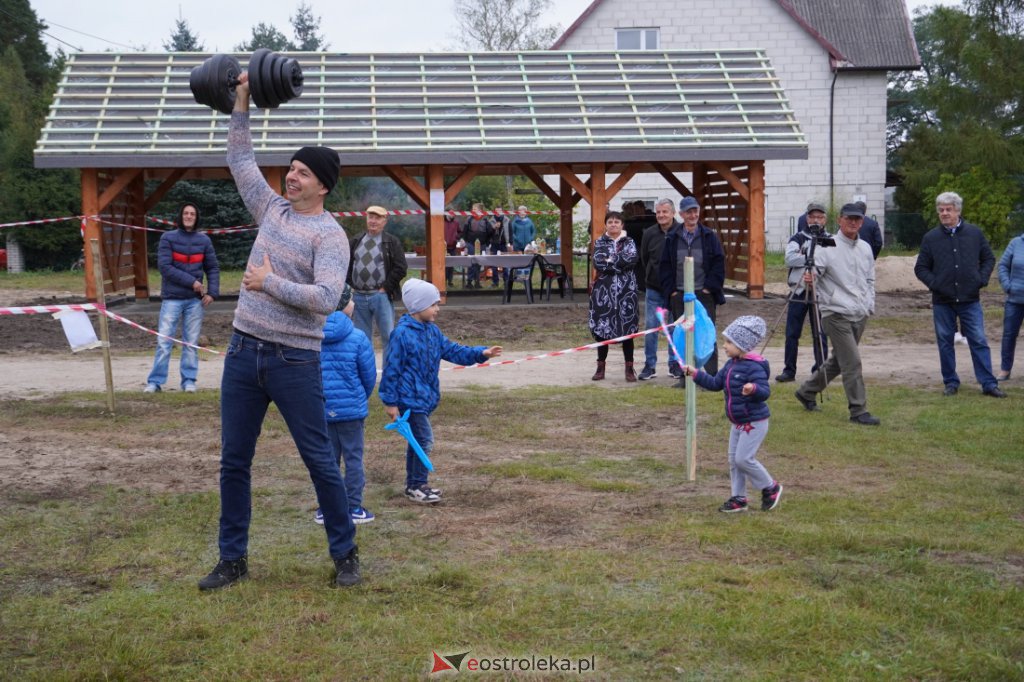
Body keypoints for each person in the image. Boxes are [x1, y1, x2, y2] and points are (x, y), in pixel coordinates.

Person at [198, 72, 360, 591]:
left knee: (319, 460)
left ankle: (345, 556)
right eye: (290, 168)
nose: (291, 177)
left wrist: (270, 283)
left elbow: (326, 300)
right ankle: (232, 559)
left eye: (302, 172)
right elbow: (240, 161)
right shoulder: (270, 208)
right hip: (244, 353)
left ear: (323, 185)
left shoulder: (331, 236)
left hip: (294, 361)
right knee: (233, 462)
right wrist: (241, 100)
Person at [379, 279, 502, 503]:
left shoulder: (432, 332)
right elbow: (391, 369)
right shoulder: (401, 335)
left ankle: (414, 485)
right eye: (433, 304)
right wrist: (390, 402)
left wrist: (480, 353)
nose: (437, 309)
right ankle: (417, 485)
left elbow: (453, 351)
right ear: (417, 306)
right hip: (409, 400)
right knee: (424, 439)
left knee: (417, 441)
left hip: (425, 397)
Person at [679, 316, 782, 513]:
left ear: (742, 345)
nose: (724, 346)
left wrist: (752, 389)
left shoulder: (754, 367)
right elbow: (715, 384)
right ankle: (738, 498)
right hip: (737, 422)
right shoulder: (730, 365)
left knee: (743, 459)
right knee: (734, 461)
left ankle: (770, 487)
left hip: (754, 422)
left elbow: (764, 391)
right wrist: (695, 373)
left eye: (728, 342)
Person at [794, 203, 881, 425]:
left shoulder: (865, 248)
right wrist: (809, 277)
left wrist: (869, 304)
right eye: (849, 218)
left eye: (857, 219)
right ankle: (858, 410)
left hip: (859, 312)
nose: (853, 222)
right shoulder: (827, 246)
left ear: (862, 222)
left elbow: (870, 279)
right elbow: (814, 271)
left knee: (838, 362)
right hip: (835, 313)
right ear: (840, 220)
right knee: (852, 362)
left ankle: (806, 391)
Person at [914, 192, 1005, 398]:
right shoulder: (931, 238)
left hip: (970, 299)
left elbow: (989, 258)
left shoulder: (974, 233)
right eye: (941, 210)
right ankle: (951, 382)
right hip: (942, 301)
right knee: (945, 342)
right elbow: (921, 268)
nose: (944, 213)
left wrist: (980, 280)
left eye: (948, 209)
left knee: (979, 340)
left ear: (958, 210)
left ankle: (988, 384)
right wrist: (936, 284)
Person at [313, 285, 377, 526]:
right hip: (352, 413)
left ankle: (326, 507)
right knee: (353, 460)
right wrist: (359, 397)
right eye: (351, 299)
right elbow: (368, 376)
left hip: (321, 410)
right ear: (344, 305)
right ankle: (353, 506)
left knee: (326, 461)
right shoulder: (359, 337)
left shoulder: (313, 336)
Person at [144, 202, 219, 393]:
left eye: (192, 213)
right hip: (172, 299)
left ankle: (189, 382)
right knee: (163, 342)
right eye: (185, 213)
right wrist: (193, 282)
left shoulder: (204, 241)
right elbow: (165, 267)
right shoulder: (167, 238)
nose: (188, 216)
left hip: (195, 302)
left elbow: (212, 268)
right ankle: (155, 382)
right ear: (180, 216)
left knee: (191, 343)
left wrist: (212, 292)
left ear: (196, 217)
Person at [659, 195, 726, 384]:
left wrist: (709, 288)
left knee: (707, 333)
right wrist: (672, 291)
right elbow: (664, 266)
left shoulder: (709, 236)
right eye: (688, 212)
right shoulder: (672, 237)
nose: (693, 215)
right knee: (682, 335)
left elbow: (719, 263)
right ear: (681, 214)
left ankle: (712, 376)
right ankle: (685, 377)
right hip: (680, 295)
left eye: (695, 211)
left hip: (703, 295)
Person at [776, 201, 830, 383]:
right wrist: (811, 256)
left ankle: (821, 370)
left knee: (820, 333)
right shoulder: (797, 238)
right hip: (798, 290)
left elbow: (831, 262)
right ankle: (789, 370)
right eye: (813, 216)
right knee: (792, 333)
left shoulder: (831, 240)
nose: (816, 220)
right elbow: (790, 259)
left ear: (825, 219)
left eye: (820, 217)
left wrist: (812, 262)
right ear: (807, 218)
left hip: (820, 292)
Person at [348, 205, 408, 360]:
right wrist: (351, 286)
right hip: (359, 297)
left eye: (377, 217)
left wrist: (385, 288)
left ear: (384, 221)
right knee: (361, 339)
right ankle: (367, 377)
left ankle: (389, 376)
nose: (373, 221)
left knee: (388, 336)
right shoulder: (356, 240)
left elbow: (401, 268)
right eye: (370, 217)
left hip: (380, 296)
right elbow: (346, 264)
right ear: (366, 219)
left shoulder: (391, 242)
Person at [588, 211, 640, 382]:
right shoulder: (599, 242)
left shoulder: (630, 241)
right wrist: (617, 263)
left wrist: (611, 261)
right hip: (604, 293)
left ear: (622, 225)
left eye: (617, 222)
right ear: (606, 224)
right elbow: (599, 262)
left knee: (627, 330)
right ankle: (600, 367)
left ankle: (629, 369)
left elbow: (631, 259)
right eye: (610, 221)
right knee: (603, 330)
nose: (613, 224)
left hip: (627, 292)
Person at [637, 199, 679, 381]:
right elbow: (644, 258)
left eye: (665, 212)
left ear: (673, 213)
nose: (661, 215)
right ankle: (650, 365)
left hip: (676, 290)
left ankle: (674, 363)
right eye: (659, 212)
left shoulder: (681, 232)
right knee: (651, 327)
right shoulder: (649, 233)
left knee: (674, 328)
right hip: (654, 289)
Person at [997, 231, 1024, 381]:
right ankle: (1005, 370)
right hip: (1014, 300)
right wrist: (1008, 286)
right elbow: (1003, 266)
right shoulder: (1016, 243)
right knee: (1009, 335)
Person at [462, 204, 491, 289]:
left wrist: (487, 243)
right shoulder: (469, 219)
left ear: (480, 210)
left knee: (479, 263)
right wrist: (466, 243)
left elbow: (489, 232)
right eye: (472, 208)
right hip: (471, 244)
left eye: (475, 209)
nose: (473, 210)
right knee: (471, 262)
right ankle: (469, 282)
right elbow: (465, 232)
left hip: (482, 244)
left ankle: (477, 281)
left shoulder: (485, 219)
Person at [443, 209, 461, 287]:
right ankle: (443, 280)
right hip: (443, 247)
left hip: (452, 247)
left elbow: (460, 232)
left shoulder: (456, 223)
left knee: (451, 265)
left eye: (454, 213)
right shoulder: (441, 222)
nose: (452, 215)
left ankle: (450, 281)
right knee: (443, 265)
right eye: (451, 213)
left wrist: (456, 238)